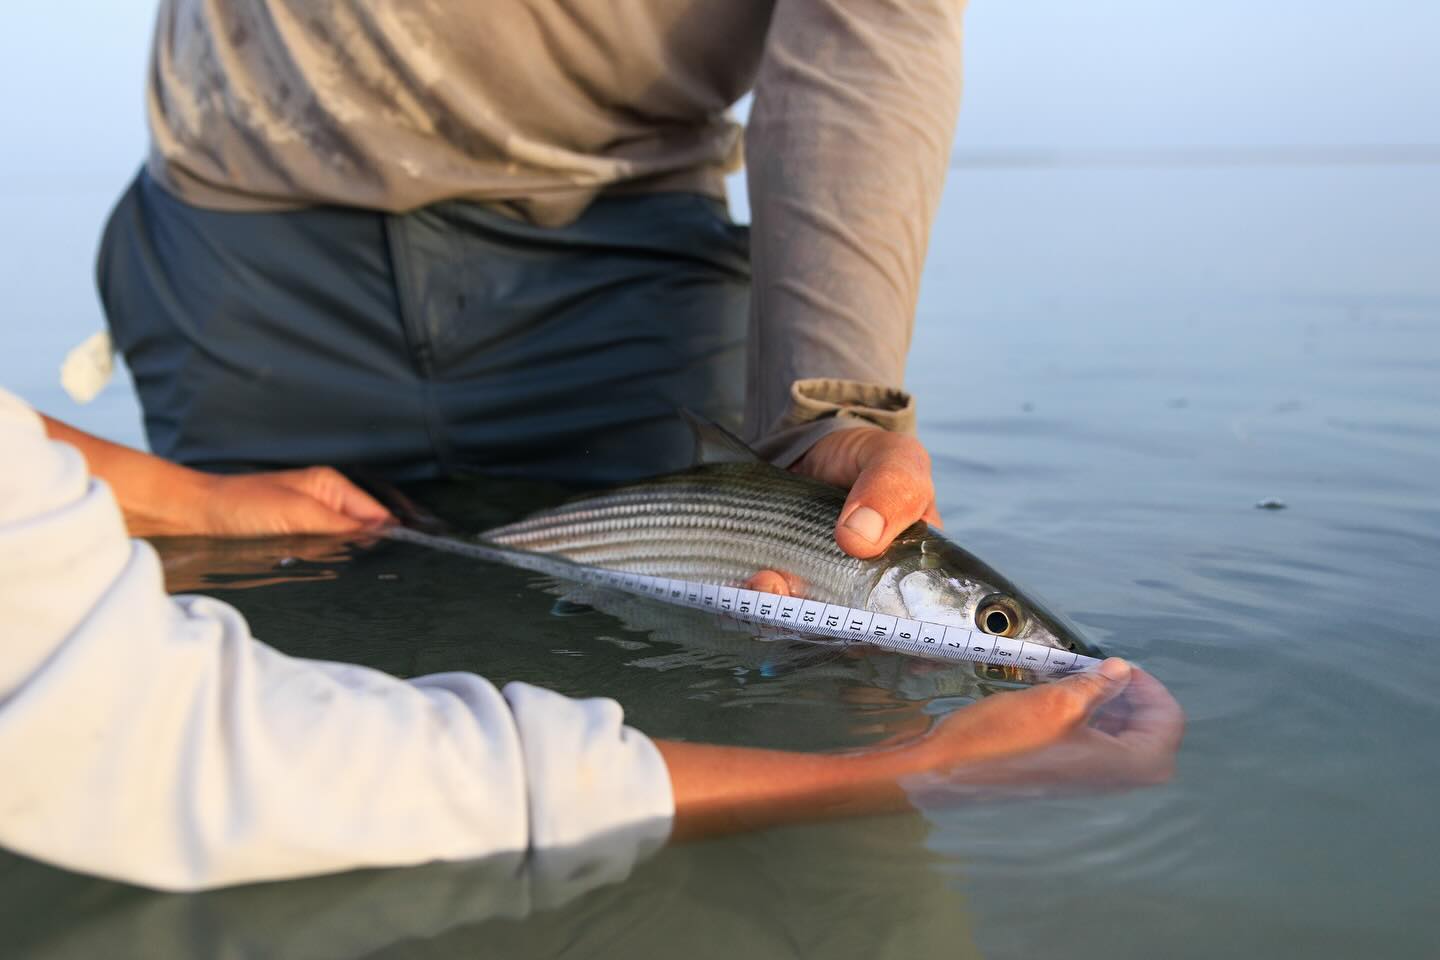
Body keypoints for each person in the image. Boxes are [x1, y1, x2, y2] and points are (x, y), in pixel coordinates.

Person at [1, 388, 1182, 891]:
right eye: (991, 623)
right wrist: (906, 770)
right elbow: (160, 751)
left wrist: (180, 495)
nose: (1006, 639)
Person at [100, 0, 961, 564]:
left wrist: (827, 405)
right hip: (235, 258)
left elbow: (871, 34)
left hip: (627, 261)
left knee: (685, 695)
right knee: (246, 693)